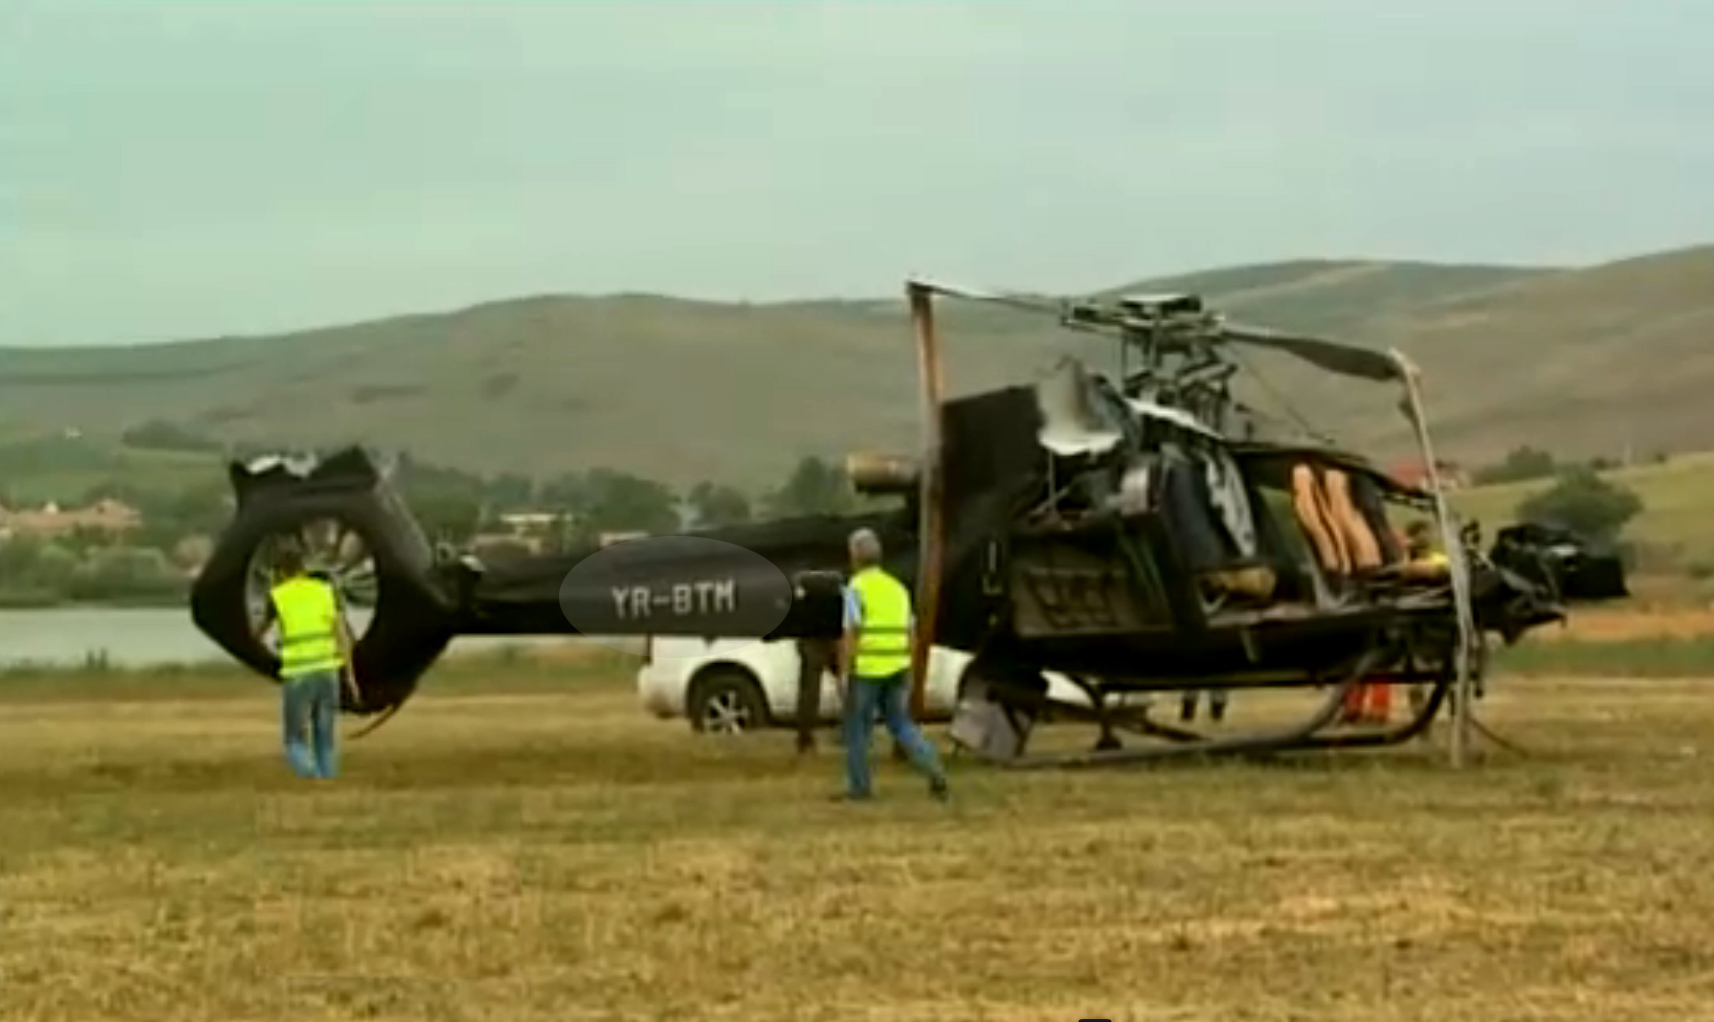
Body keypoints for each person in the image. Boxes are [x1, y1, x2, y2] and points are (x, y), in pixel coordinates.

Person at [834, 528, 949, 802]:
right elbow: (911, 632)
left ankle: (860, 788)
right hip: (898, 666)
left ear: (854, 556)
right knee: (901, 723)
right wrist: (910, 666)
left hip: (867, 668)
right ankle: (934, 768)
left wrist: (844, 672)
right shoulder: (897, 588)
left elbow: (852, 633)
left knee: (858, 730)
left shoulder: (856, 588)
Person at [266, 545, 355, 779]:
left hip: (297, 673)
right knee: (325, 739)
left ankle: (311, 776)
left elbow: (259, 631)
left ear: (280, 572)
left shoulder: (278, 596)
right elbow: (342, 634)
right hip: (327, 671)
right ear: (303, 567)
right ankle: (327, 781)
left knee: (294, 740)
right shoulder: (324, 591)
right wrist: (349, 675)